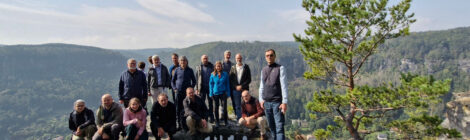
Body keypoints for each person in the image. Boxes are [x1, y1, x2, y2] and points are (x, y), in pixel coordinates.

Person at [259, 49, 288, 140]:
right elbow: (261, 86)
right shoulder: (263, 70)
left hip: (277, 103)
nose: (269, 57)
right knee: (272, 128)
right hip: (267, 103)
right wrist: (261, 100)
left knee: (279, 128)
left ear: (275, 56)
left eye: (271, 55)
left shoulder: (280, 68)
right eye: (267, 55)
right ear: (265, 57)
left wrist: (284, 102)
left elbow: (284, 86)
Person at [171, 55, 196, 130]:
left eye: (184, 61)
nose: (183, 62)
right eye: (181, 61)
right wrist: (174, 88)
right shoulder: (177, 70)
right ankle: (179, 124)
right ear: (179, 62)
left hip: (187, 94)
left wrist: (191, 89)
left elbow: (194, 81)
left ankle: (187, 124)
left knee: (187, 108)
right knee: (178, 108)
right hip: (178, 92)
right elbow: (172, 81)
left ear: (186, 62)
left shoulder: (190, 70)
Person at [229, 53, 251, 120]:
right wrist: (235, 86)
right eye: (237, 58)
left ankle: (247, 118)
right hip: (235, 90)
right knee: (237, 105)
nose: (239, 59)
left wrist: (241, 86)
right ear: (235, 59)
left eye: (240, 58)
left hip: (245, 89)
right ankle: (239, 118)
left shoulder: (246, 67)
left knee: (247, 104)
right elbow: (231, 79)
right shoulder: (233, 68)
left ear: (242, 58)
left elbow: (249, 79)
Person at [209, 61, 231, 127]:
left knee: (224, 107)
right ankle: (217, 122)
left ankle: (226, 122)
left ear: (221, 67)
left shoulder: (225, 74)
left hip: (223, 93)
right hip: (215, 93)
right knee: (216, 108)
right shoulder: (212, 74)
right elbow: (211, 84)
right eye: (217, 66)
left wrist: (228, 93)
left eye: (220, 66)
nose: (218, 67)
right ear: (215, 67)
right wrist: (211, 93)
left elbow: (227, 84)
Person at [195, 54, 215, 123]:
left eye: (206, 58)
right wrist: (197, 89)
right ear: (201, 60)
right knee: (202, 103)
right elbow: (196, 79)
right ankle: (203, 117)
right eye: (204, 59)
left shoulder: (212, 66)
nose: (205, 60)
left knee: (210, 103)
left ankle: (211, 117)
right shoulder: (199, 67)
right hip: (202, 88)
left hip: (210, 88)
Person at [222, 50, 236, 115]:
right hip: (223, 85)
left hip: (232, 85)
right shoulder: (221, 64)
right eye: (227, 55)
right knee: (223, 101)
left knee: (234, 100)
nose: (228, 56)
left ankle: (236, 114)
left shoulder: (233, 65)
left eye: (229, 55)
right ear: (224, 55)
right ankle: (224, 115)